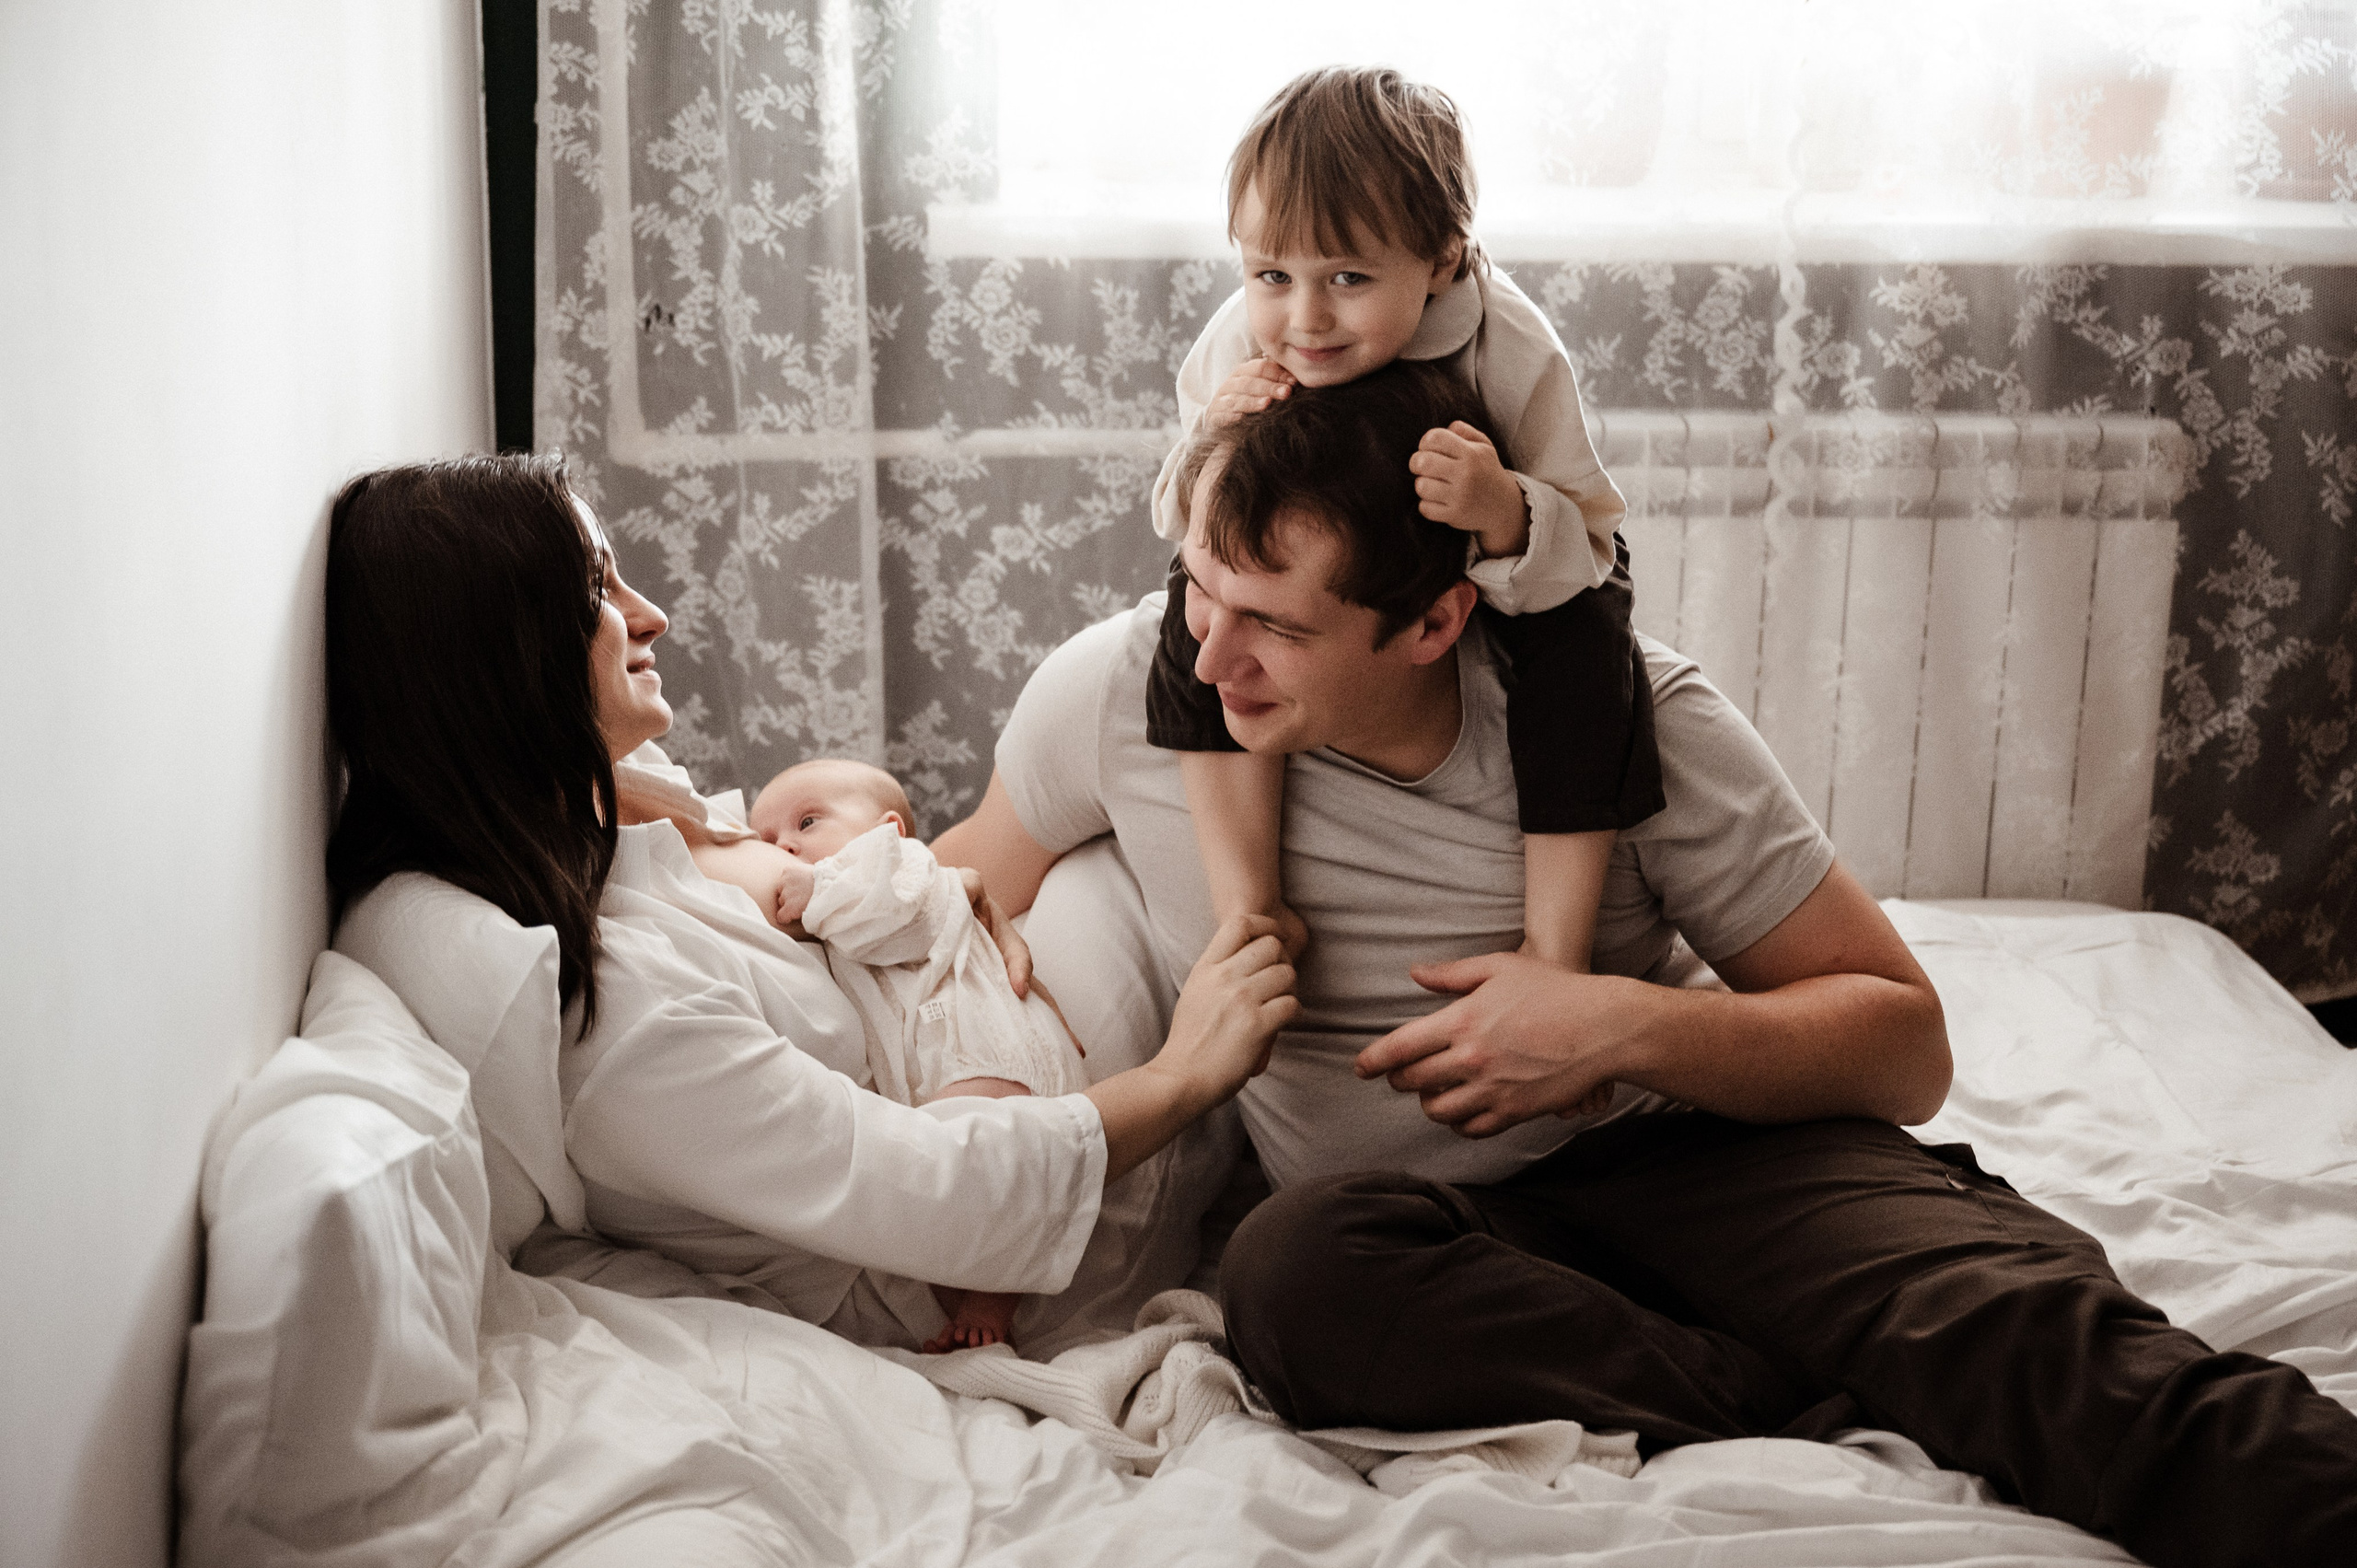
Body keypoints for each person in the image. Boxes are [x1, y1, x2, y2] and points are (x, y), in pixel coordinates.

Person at [934, 364, 2357, 1568]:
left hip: (1700, 1156)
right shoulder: (1129, 687)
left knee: (2038, 1342)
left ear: (1434, 620)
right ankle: (1792, 1379)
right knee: (1289, 1278)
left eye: (1278, 628)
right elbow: (947, 898)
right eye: (1201, 592)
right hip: (1432, 1237)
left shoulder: (1632, 717)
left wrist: (1615, 1025)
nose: (1212, 656)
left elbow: (1903, 1039)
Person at [319, 453, 1297, 1355]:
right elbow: (944, 1192)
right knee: (1135, 692)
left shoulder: (587, 806)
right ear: (499, 657)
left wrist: (926, 900)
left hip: (954, 1057)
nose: (650, 613)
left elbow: (785, 889)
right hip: (991, 1275)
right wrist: (1190, 1069)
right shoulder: (621, 1025)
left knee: (1124, 746)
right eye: (596, 592)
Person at [1144, 65, 1660, 975]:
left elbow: (1585, 529)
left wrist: (1501, 506)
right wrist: (1212, 442)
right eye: (1271, 273)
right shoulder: (1242, 334)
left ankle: (1554, 946)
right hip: (1322, 571)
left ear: (1442, 259)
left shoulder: (1511, 343)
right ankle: (1250, 907)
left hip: (1512, 559)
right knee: (1194, 624)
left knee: (1588, 664)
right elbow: (1178, 514)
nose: (1303, 318)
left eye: (1347, 277)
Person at [622, 752, 1090, 1351]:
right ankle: (984, 1284)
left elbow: (890, 911)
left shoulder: (890, 868)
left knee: (992, 1145)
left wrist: (821, 889)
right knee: (967, 1161)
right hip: (937, 1052)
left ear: (889, 829)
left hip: (978, 1042)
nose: (784, 846)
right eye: (769, 837)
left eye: (808, 822)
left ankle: (993, 1298)